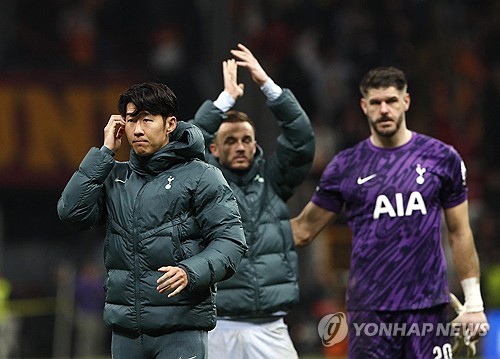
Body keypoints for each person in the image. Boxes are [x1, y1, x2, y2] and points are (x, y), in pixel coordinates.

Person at [291, 66, 489, 358]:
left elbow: (460, 232)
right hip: (370, 312)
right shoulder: (346, 165)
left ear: (405, 101)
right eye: (375, 102)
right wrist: (245, 237)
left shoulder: (442, 158)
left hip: (428, 308)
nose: (384, 109)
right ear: (364, 106)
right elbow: (304, 229)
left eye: (391, 101)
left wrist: (473, 302)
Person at [57, 82, 247, 359]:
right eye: (132, 120)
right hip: (126, 334)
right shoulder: (114, 178)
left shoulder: (202, 176)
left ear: (170, 124)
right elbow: (70, 212)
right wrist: (105, 152)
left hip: (181, 330)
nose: (137, 130)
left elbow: (231, 242)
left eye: (147, 120)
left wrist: (189, 271)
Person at [191, 43, 315, 359]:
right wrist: (224, 101)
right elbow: (181, 146)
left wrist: (268, 87)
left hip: (271, 326)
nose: (241, 146)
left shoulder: (273, 181)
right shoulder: (199, 186)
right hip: (216, 326)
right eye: (230, 140)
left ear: (255, 143)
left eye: (246, 139)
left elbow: (301, 141)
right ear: (214, 149)